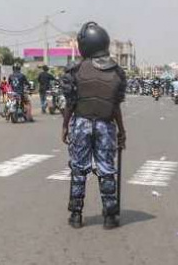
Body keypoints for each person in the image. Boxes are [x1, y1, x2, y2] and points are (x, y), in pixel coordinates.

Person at [61, 22, 127, 230]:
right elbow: (115, 106)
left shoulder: (75, 70)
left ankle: (75, 215)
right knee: (107, 170)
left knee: (79, 169)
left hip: (81, 123)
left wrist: (65, 126)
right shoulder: (117, 72)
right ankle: (109, 216)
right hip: (106, 126)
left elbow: (70, 103)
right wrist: (122, 131)